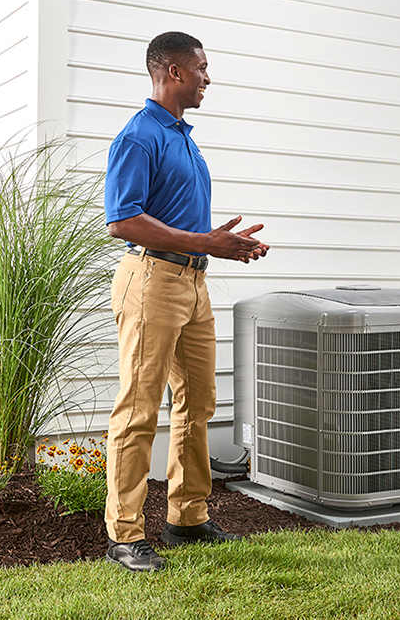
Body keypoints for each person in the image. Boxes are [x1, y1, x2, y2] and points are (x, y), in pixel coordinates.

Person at [102, 31, 270, 572]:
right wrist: (206, 243)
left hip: (193, 284)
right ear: (172, 71)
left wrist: (228, 246)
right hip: (150, 281)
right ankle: (125, 533)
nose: (207, 77)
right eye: (201, 67)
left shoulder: (184, 137)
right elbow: (122, 220)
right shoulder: (138, 136)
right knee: (139, 408)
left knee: (198, 403)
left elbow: (183, 221)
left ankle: (187, 517)